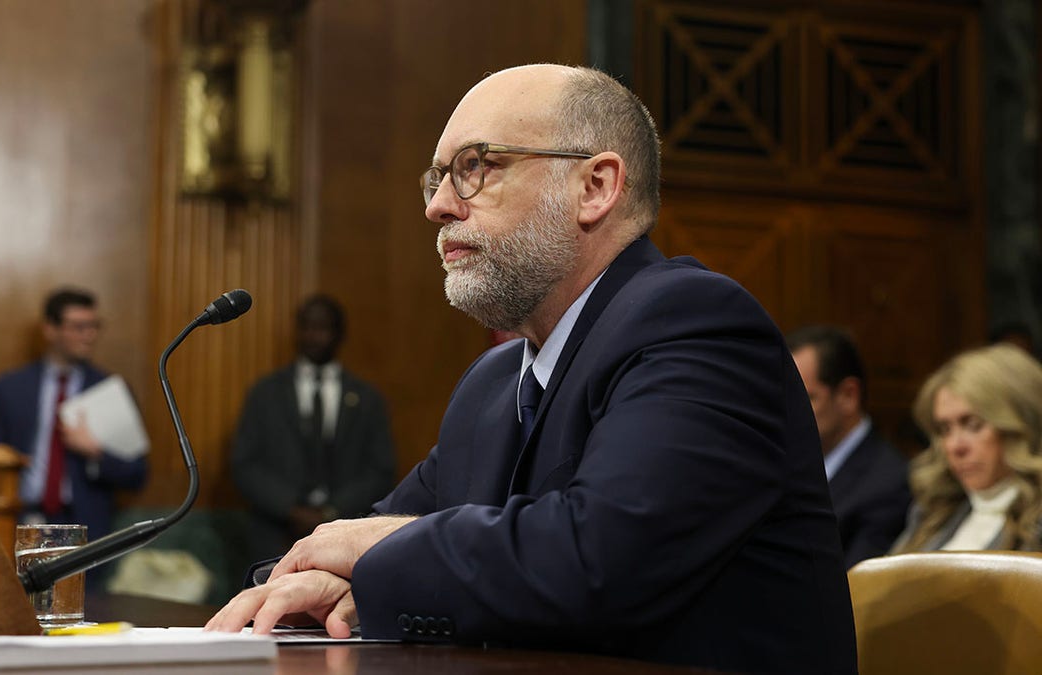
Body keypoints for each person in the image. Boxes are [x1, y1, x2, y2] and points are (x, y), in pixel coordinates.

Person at [207, 64, 857, 674]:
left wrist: (375, 558)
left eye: (476, 166)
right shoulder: (492, 385)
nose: (438, 206)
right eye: (436, 179)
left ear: (595, 186)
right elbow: (364, 542)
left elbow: (595, 562)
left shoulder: (698, 323)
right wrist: (312, 581)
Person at [230, 294, 396, 561]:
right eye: (306, 327)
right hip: (275, 536)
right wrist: (291, 509)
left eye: (322, 328)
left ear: (339, 334)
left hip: (347, 536)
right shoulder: (265, 393)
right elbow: (245, 465)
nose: (312, 336)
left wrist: (331, 513)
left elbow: (381, 469)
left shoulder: (367, 398)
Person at [0, 288, 148, 546]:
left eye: (94, 326)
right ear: (50, 329)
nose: (89, 335)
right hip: (21, 520)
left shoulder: (110, 389)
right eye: (79, 327)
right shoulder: (11, 387)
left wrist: (95, 451)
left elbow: (138, 474)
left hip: (86, 528)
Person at [892, 344, 1042, 553]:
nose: (955, 446)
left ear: (1021, 426)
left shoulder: (1037, 521)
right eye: (945, 429)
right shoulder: (933, 512)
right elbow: (884, 582)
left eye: (973, 425)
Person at [787, 325, 911, 567]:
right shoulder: (786, 462)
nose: (786, 412)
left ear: (848, 396)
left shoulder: (888, 483)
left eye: (803, 398)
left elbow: (857, 589)